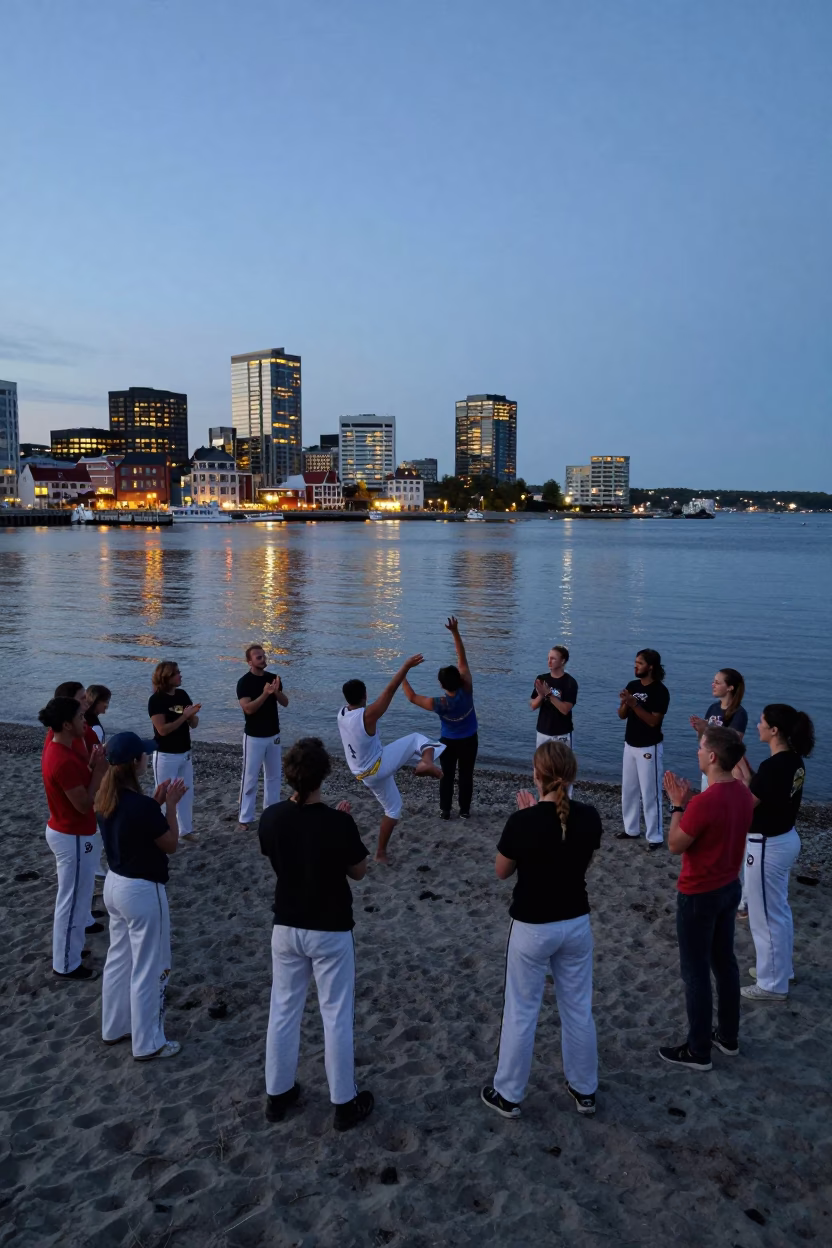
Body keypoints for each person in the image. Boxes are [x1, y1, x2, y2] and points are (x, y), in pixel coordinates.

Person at [481, 741, 602, 1120]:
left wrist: (527, 823)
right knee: (578, 1009)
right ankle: (584, 1090)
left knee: (521, 1010)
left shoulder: (524, 821)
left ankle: (509, 1094)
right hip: (575, 923)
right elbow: (580, 862)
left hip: (533, 926)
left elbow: (502, 871)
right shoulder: (590, 817)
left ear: (537, 775)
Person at [259, 737, 374, 1131]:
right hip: (330, 928)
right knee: (336, 1015)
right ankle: (343, 1101)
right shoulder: (337, 822)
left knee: (284, 1009)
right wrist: (337, 829)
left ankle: (278, 1094)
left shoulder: (272, 817)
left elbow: (280, 851)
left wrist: (330, 829)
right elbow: (358, 871)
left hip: (287, 924)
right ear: (324, 774)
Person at [659, 726, 755, 1070]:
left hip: (699, 893)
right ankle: (728, 1036)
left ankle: (698, 1049)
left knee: (696, 971)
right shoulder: (744, 795)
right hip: (729, 888)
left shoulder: (703, 802)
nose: (698, 752)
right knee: (724, 963)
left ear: (712, 756)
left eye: (701, 747)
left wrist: (677, 806)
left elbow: (674, 845)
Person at [96, 732, 186, 1060]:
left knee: (119, 959)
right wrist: (171, 808)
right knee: (151, 965)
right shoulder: (141, 806)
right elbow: (170, 844)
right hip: (142, 890)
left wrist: (157, 803)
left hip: (115, 884)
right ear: (136, 763)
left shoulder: (106, 797)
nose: (148, 758)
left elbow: (131, 823)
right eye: (144, 755)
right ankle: (148, 1042)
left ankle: (114, 1026)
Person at [734, 704, 815, 1002]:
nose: (758, 725)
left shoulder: (775, 766)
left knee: (764, 915)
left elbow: (748, 802)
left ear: (774, 730)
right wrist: (739, 762)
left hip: (768, 844)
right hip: (784, 839)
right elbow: (759, 787)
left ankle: (772, 984)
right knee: (778, 911)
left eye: (762, 722)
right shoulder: (793, 761)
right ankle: (781, 969)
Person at [337, 655, 444, 864]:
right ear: (365, 695)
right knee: (417, 739)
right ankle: (426, 763)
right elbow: (390, 691)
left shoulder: (341, 714)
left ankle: (381, 853)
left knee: (394, 809)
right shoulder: (367, 716)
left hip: (365, 775)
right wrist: (405, 668)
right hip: (378, 766)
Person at [39, 696, 109, 980]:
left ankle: (71, 950)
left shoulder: (63, 749)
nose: (85, 720)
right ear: (67, 724)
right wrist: (100, 772)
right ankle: (65, 964)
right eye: (80, 717)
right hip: (72, 834)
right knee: (71, 901)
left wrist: (92, 768)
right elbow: (83, 804)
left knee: (78, 899)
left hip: (71, 831)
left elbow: (79, 790)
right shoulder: (61, 758)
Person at [401, 616, 478, 821]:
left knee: (447, 774)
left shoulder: (439, 704)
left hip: (448, 742)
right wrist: (455, 632)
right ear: (459, 679)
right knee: (466, 775)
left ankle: (445, 810)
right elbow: (462, 658)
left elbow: (411, 697)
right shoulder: (467, 688)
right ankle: (464, 810)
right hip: (470, 740)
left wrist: (403, 673)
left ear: (442, 685)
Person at [690, 668, 749, 914]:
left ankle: (745, 896)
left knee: (736, 835)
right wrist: (700, 731)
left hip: (728, 776)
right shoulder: (713, 709)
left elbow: (732, 745)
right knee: (712, 831)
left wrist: (708, 730)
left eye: (718, 682)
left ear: (731, 687)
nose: (713, 684)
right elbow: (704, 743)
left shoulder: (738, 714)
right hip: (708, 774)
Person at [617, 649, 670, 849]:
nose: (635, 666)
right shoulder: (633, 685)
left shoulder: (660, 691)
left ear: (651, 667)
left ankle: (654, 836)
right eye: (635, 662)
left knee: (650, 791)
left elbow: (653, 721)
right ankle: (631, 829)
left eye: (639, 663)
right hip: (629, 744)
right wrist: (625, 703)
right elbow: (622, 714)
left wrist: (634, 704)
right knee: (629, 789)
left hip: (649, 746)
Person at [237, 644, 289, 830]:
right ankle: (244, 818)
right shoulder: (244, 682)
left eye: (263, 655)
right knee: (250, 778)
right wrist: (265, 694)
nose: (263, 659)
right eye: (258, 657)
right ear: (250, 662)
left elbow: (285, 702)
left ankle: (271, 813)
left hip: (273, 734)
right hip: (254, 737)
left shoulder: (273, 678)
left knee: (274, 777)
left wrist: (275, 692)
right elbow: (249, 709)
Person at [148, 661, 201, 844]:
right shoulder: (156, 700)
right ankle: (161, 832)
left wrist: (192, 716)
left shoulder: (182, 694)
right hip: (165, 755)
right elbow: (162, 729)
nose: (180, 675)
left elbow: (193, 724)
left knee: (186, 792)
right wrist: (184, 717)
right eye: (176, 673)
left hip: (184, 753)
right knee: (163, 793)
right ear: (166, 677)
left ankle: (185, 830)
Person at [530, 645, 578, 750]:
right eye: (548, 658)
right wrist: (541, 695)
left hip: (562, 733)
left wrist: (549, 694)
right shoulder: (542, 679)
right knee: (541, 765)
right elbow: (533, 706)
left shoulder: (570, 682)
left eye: (553, 658)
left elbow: (565, 709)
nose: (549, 661)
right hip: (543, 731)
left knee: (562, 765)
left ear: (562, 661)